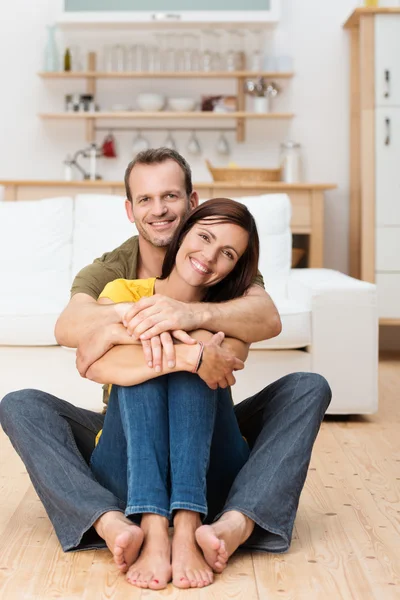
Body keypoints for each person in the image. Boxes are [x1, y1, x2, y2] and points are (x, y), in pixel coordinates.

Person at [0, 148, 331, 589]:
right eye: (146, 200)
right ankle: (114, 521)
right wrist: (186, 351)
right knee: (22, 404)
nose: (159, 210)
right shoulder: (115, 274)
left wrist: (187, 317)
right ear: (130, 209)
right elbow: (75, 337)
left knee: (307, 387)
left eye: (171, 196)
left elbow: (263, 320)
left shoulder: (223, 270)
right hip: (127, 438)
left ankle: (234, 522)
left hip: (209, 439)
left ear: (193, 204)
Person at [89, 198, 258, 589]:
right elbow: (90, 362)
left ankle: (186, 526)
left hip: (208, 467)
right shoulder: (123, 290)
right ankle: (150, 525)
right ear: (183, 233)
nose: (209, 256)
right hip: (128, 466)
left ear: (236, 267)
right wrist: (189, 353)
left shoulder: (229, 312)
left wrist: (180, 344)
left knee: (192, 364)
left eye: (227, 253)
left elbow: (225, 361)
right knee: (180, 361)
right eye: (204, 237)